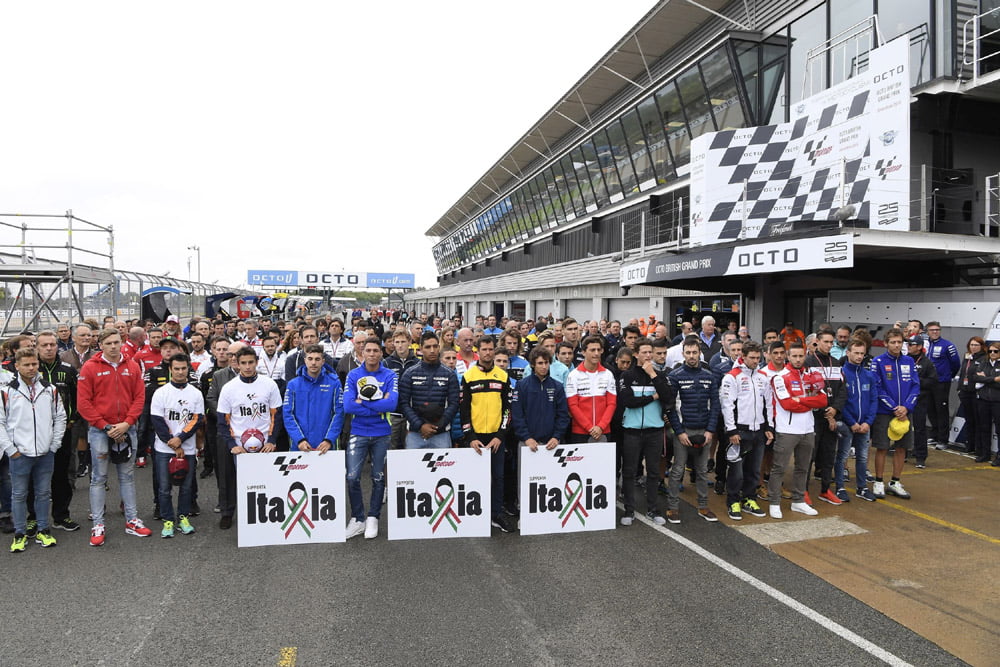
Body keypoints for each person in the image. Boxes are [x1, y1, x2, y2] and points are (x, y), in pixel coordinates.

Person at [76, 328, 152, 546]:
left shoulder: (132, 366)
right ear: (100, 345)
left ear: (122, 342)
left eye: (116, 342)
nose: (112, 346)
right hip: (101, 431)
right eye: (108, 343)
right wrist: (106, 426)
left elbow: (139, 397)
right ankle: (98, 524)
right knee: (98, 478)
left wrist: (127, 423)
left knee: (127, 476)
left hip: (127, 429)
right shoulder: (89, 367)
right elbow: (84, 403)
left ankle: (132, 519)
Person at [1, 348, 67, 552]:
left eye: (34, 364)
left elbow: (60, 418)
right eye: (27, 365)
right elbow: (0, 423)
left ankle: (43, 530)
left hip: (46, 453)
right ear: (17, 366)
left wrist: (54, 445)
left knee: (43, 493)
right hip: (19, 454)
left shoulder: (50, 389)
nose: (31, 368)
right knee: (19, 495)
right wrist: (11, 450)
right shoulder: (6, 391)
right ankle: (20, 533)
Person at [216, 346, 283, 528]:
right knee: (233, 481)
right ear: (237, 364)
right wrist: (232, 444)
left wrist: (271, 440)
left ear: (256, 362)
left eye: (250, 362)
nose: (247, 367)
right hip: (239, 446)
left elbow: (276, 415)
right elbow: (223, 420)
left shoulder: (269, 384)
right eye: (243, 363)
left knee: (264, 481)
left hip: (264, 445)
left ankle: (267, 513)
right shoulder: (229, 388)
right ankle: (228, 513)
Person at [343, 338, 398, 540]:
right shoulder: (353, 375)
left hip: (382, 432)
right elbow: (348, 406)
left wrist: (363, 402)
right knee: (352, 477)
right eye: (368, 350)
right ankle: (358, 518)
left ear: (381, 353)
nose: (372, 354)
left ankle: (374, 516)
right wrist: (377, 402)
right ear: (362, 352)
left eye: (376, 350)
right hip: (358, 431)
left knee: (378, 477)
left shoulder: (390, 375)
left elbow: (391, 404)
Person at [459, 335, 515, 533]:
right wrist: (470, 437)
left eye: (491, 349)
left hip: (496, 437)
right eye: (484, 349)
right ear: (478, 351)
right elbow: (463, 410)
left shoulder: (503, 376)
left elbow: (508, 410)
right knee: (474, 478)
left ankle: (496, 514)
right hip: (475, 437)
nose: (488, 353)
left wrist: (500, 435)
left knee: (497, 477)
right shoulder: (468, 376)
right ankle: (474, 514)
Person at [617, 337, 673, 526]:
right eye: (645, 352)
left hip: (654, 431)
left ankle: (652, 509)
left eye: (651, 352)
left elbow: (667, 397)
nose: (649, 355)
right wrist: (652, 397)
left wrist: (653, 375)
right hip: (632, 431)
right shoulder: (626, 376)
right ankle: (629, 510)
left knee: (653, 472)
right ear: (636, 354)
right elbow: (628, 402)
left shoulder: (658, 375)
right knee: (630, 471)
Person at [665, 337, 721, 523]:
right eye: (688, 353)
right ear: (682, 354)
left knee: (703, 471)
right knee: (678, 469)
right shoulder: (675, 376)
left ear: (699, 353)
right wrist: (679, 432)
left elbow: (715, 406)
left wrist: (710, 430)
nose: (691, 356)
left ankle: (703, 506)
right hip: (683, 431)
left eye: (694, 352)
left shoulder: (709, 376)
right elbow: (670, 408)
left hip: (704, 431)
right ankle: (673, 508)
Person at [767, 342, 826, 519]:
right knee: (779, 468)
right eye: (794, 356)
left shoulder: (811, 375)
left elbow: (823, 401)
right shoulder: (780, 377)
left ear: (805, 354)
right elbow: (787, 404)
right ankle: (774, 502)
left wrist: (800, 400)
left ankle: (799, 501)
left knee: (803, 467)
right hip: (787, 429)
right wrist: (806, 402)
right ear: (788, 356)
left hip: (808, 429)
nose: (798, 359)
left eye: (801, 356)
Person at [149, 354, 204, 538]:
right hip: (164, 449)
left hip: (187, 448)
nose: (180, 372)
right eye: (177, 368)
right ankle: (168, 519)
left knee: (186, 487)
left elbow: (197, 419)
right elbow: (157, 420)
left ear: (188, 368)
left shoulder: (195, 393)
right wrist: (172, 442)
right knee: (164, 487)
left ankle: (183, 517)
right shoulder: (161, 392)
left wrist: (180, 438)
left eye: (183, 368)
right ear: (170, 369)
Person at [31, 331, 80, 532]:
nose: (50, 348)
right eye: (45, 345)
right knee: (34, 477)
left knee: (61, 475)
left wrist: (72, 420)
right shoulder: (30, 370)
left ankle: (61, 516)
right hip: (35, 433)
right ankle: (32, 517)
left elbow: (78, 398)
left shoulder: (68, 370)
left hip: (63, 431)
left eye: (52, 344)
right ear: (37, 348)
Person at [719, 341, 770, 521]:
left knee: (755, 470)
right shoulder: (732, 377)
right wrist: (732, 430)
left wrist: (769, 427)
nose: (756, 361)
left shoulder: (763, 376)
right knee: (736, 470)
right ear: (743, 357)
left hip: (759, 431)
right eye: (752, 358)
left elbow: (769, 404)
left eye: (758, 358)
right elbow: (727, 405)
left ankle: (749, 499)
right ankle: (733, 501)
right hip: (740, 432)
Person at [869, 328, 920, 498]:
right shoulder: (878, 361)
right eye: (893, 342)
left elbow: (915, 385)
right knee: (882, 447)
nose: (896, 345)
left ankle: (895, 482)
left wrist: (906, 407)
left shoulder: (909, 361)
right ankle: (878, 482)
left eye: (899, 342)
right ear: (886, 344)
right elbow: (877, 387)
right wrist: (894, 407)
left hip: (906, 412)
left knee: (902, 448)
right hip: (885, 411)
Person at [398, 332, 459, 450]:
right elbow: (403, 403)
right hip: (415, 433)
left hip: (441, 433)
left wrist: (437, 426)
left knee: (443, 468)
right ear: (421, 349)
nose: (432, 350)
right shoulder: (409, 374)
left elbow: (454, 404)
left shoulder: (449, 374)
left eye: (435, 346)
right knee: (414, 468)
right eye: (427, 347)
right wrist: (420, 425)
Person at [805, 329, 846, 505]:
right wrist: (825, 411)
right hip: (814, 417)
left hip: (832, 416)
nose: (829, 345)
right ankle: (803, 490)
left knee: (829, 454)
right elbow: (808, 391)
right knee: (809, 455)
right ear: (818, 342)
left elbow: (843, 390)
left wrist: (835, 409)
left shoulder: (836, 363)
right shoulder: (808, 362)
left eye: (832, 342)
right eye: (826, 342)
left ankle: (825, 489)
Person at [283, 344, 344, 456]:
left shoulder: (334, 382)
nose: (313, 363)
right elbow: (288, 414)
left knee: (329, 474)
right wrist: (299, 439)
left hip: (327, 445)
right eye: (310, 359)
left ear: (323, 361)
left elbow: (339, 413)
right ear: (305, 360)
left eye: (317, 359)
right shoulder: (293, 384)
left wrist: (329, 439)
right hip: (300, 446)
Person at [839, 339, 878, 501]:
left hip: (864, 425)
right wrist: (852, 422)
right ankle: (840, 487)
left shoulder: (868, 375)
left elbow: (874, 400)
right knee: (842, 456)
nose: (859, 356)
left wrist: (868, 422)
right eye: (856, 353)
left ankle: (861, 488)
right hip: (848, 424)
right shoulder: (841, 373)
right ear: (848, 353)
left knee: (862, 457)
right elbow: (841, 401)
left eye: (862, 353)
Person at [564, 336, 617, 444]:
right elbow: (573, 405)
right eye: (592, 350)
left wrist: (601, 427)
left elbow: (611, 404)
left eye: (599, 350)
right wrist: (589, 427)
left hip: (603, 430)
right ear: (583, 352)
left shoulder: (608, 374)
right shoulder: (574, 375)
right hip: (580, 432)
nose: (596, 353)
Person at [923, 322, 960, 449]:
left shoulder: (947, 345)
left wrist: (947, 376)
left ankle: (943, 439)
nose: (935, 332)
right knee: (930, 409)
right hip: (928, 382)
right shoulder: (924, 344)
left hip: (942, 382)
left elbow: (956, 363)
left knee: (941, 410)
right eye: (932, 330)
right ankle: (934, 435)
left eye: (937, 329)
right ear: (927, 331)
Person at [383, 329, 420, 450]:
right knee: (390, 449)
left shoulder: (418, 363)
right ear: (393, 343)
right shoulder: (386, 363)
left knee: (409, 449)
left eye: (403, 341)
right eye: (397, 342)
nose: (400, 345)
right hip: (392, 414)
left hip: (412, 415)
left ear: (409, 342)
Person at [907, 336, 939, 468]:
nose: (909, 346)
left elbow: (932, 381)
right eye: (908, 344)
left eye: (912, 344)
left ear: (919, 346)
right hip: (905, 400)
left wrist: (916, 381)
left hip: (920, 399)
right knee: (903, 428)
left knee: (920, 428)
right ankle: (903, 452)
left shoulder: (927, 363)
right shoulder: (904, 360)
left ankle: (921, 457)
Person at [957, 337, 986, 456]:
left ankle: (979, 448)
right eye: (972, 345)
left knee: (978, 420)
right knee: (969, 419)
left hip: (976, 393)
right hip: (965, 392)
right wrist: (959, 388)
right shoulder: (967, 357)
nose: (973, 347)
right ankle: (970, 445)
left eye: (976, 345)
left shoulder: (984, 358)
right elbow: (963, 372)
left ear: (981, 346)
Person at [973, 342, 1000, 465]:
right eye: (990, 351)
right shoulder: (984, 363)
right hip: (983, 400)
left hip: (997, 401)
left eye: (995, 351)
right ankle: (985, 453)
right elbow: (976, 378)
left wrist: (985, 379)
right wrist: (993, 379)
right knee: (984, 427)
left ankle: (999, 456)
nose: (992, 354)